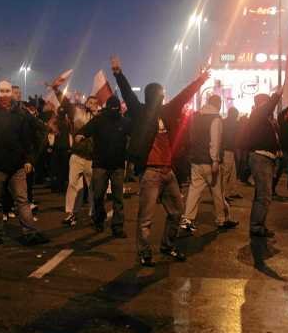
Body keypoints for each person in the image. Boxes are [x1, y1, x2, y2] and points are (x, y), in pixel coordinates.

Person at [112, 55, 209, 266]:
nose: (164, 97)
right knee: (145, 218)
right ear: (154, 95)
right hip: (151, 173)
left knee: (176, 212)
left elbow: (184, 96)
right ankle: (144, 252)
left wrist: (200, 81)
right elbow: (128, 94)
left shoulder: (167, 112)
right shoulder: (140, 112)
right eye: (161, 93)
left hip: (168, 172)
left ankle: (167, 245)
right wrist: (118, 73)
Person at [0, 62, 48, 247]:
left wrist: (30, 159)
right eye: (3, 91)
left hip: (17, 165)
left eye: (9, 91)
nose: (6, 95)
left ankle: (29, 234)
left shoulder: (20, 114)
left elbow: (27, 139)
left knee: (22, 201)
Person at [181, 94, 238, 233]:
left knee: (194, 190)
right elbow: (215, 141)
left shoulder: (196, 117)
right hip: (208, 161)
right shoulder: (215, 119)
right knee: (217, 191)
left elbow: (191, 137)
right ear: (218, 104)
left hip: (196, 159)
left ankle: (187, 219)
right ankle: (221, 219)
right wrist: (215, 160)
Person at [79, 95, 131, 236]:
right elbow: (84, 130)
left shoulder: (125, 122)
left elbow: (134, 136)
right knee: (98, 196)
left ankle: (118, 226)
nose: (114, 110)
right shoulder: (99, 120)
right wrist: (81, 135)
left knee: (118, 198)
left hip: (118, 166)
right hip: (100, 164)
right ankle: (99, 220)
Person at [243, 91, 282, 238]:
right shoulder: (258, 114)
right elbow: (269, 107)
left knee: (262, 194)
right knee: (264, 195)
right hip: (261, 158)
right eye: (267, 102)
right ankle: (257, 226)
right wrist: (276, 96)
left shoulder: (263, 118)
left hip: (265, 157)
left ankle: (258, 225)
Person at [60, 93, 99, 227]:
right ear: (86, 103)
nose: (92, 105)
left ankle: (93, 213)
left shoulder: (100, 118)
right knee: (73, 185)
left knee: (92, 187)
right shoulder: (77, 113)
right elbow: (66, 104)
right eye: (90, 102)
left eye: (95, 103)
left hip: (91, 158)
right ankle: (71, 213)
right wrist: (57, 91)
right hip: (77, 155)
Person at [221, 107, 243, 202]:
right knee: (227, 173)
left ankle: (232, 191)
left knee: (232, 172)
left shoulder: (225, 122)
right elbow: (232, 138)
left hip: (229, 149)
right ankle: (224, 194)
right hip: (228, 149)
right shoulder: (232, 123)